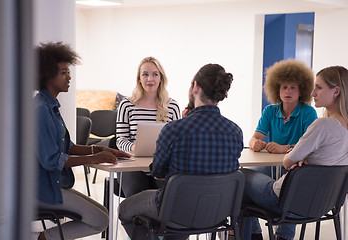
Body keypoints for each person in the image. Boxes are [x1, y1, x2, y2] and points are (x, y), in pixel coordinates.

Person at [118, 63, 244, 240]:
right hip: (217, 212)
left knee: (124, 209)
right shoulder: (235, 131)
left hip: (177, 211)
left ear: (195, 87)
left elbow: (157, 172)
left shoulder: (173, 130)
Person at [34, 42, 131, 240]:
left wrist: (101, 150)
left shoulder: (50, 106)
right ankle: (38, 238)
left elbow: (68, 147)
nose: (69, 77)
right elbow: (51, 160)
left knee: (103, 215)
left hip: (54, 185)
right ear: (47, 75)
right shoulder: (41, 110)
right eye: (63, 72)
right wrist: (93, 159)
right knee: (99, 220)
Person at [242, 65, 348, 240]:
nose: (313, 93)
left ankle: (250, 235)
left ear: (336, 91)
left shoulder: (322, 124)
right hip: (321, 203)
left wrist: (295, 152)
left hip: (289, 201)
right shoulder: (342, 128)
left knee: (239, 177)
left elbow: (287, 162)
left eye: (319, 87)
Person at [247, 59, 318, 239]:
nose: (288, 91)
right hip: (272, 167)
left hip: (296, 168)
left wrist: (285, 148)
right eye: (284, 87)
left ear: (301, 90)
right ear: (276, 90)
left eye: (293, 87)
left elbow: (311, 146)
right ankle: (254, 233)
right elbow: (256, 137)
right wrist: (255, 142)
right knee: (243, 177)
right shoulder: (270, 111)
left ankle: (283, 236)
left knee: (289, 190)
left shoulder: (308, 112)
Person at [115, 56, 181, 197]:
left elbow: (178, 141)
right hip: (133, 166)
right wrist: (134, 148)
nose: (150, 79)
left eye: (155, 74)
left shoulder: (173, 106)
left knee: (169, 198)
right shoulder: (126, 105)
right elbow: (120, 140)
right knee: (136, 196)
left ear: (161, 78)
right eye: (145, 74)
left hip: (163, 165)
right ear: (139, 78)